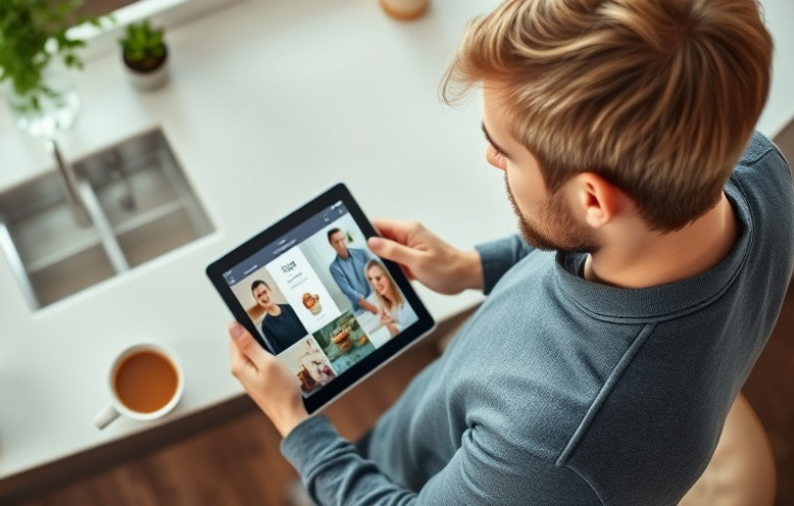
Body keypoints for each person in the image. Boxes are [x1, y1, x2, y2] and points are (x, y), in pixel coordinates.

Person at [228, 0, 794, 504]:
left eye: (504, 149)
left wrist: (297, 426)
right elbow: (586, 242)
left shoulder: (556, 444)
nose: (492, 159)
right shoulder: (755, 166)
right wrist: (472, 267)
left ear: (593, 199)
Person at [327, 228, 379, 315]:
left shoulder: (362, 253)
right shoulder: (334, 268)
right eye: (336, 242)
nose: (341, 244)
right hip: (362, 308)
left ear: (346, 239)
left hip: (378, 296)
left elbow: (376, 273)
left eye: (342, 239)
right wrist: (371, 307)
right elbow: (347, 290)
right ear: (331, 245)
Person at [251, 280, 308, 354]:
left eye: (264, 292)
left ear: (270, 290)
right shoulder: (265, 326)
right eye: (259, 296)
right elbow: (279, 352)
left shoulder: (289, 308)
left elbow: (307, 329)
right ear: (257, 301)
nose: (264, 297)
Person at [364, 259, 417, 337]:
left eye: (378, 278)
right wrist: (389, 324)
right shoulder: (388, 308)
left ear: (388, 275)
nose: (375, 284)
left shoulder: (408, 299)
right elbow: (397, 336)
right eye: (371, 280)